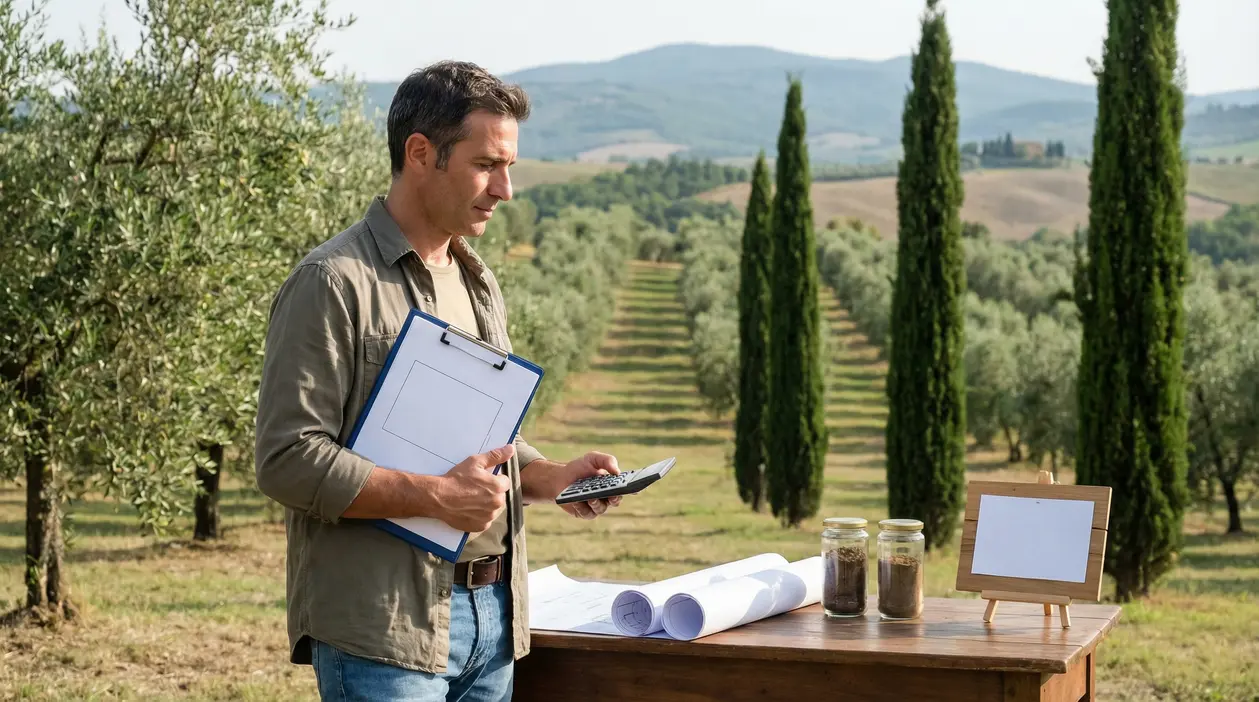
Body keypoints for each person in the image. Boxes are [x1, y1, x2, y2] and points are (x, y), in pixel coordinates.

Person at [254, 60, 622, 702]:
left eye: (509, 166)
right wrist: (436, 497)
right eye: (486, 165)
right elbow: (287, 459)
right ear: (421, 153)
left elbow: (481, 440)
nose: (505, 189)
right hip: (385, 631)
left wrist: (551, 476)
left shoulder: (478, 282)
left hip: (494, 624)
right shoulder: (333, 283)